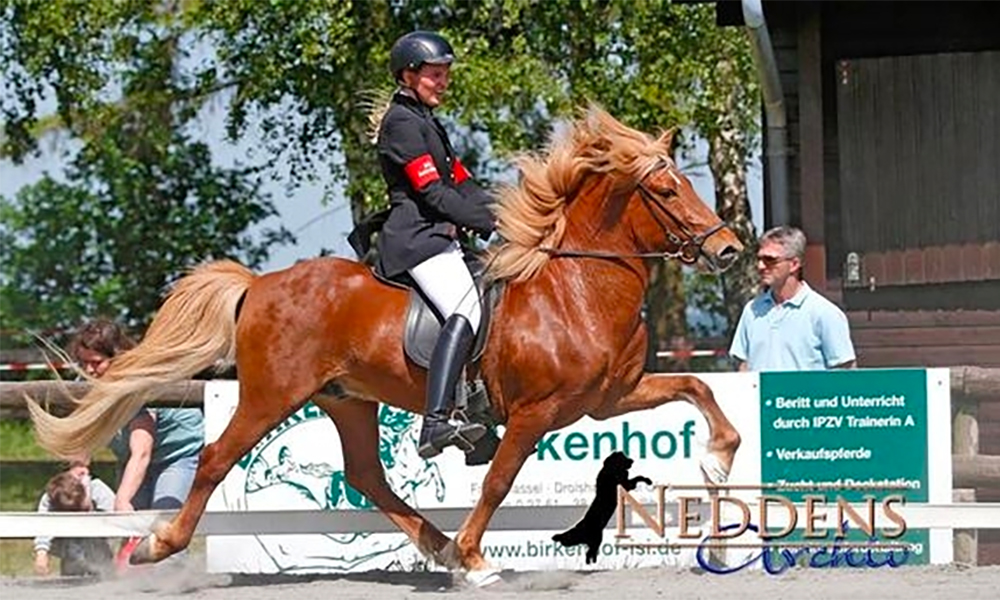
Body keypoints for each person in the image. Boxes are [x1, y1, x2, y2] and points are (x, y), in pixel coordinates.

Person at [370, 31, 497, 459]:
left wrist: (509, 210)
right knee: (467, 308)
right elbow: (432, 195)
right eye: (435, 75)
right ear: (409, 75)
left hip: (441, 237)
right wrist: (486, 221)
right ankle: (436, 422)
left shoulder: (428, 122)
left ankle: (480, 407)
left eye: (446, 75)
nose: (443, 82)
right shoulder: (402, 123)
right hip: (417, 239)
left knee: (498, 294)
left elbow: (461, 182)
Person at [69, 319, 204, 513]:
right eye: (83, 363)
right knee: (131, 530)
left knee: (163, 527)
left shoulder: (137, 383)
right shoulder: (85, 382)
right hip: (129, 457)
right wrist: (78, 466)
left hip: (176, 454)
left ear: (117, 357)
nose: (89, 370)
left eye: (97, 363)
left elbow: (142, 451)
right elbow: (83, 428)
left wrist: (122, 500)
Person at [729, 226, 857, 371]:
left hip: (808, 394)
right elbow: (742, 364)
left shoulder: (825, 313)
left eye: (770, 260)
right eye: (759, 259)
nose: (760, 266)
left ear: (794, 264)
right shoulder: (752, 310)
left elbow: (844, 373)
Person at [33, 457, 116, 576]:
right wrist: (41, 552)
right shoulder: (51, 497)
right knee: (71, 582)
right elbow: (43, 525)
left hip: (100, 551)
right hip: (70, 553)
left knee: (105, 579)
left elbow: (117, 520)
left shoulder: (98, 490)